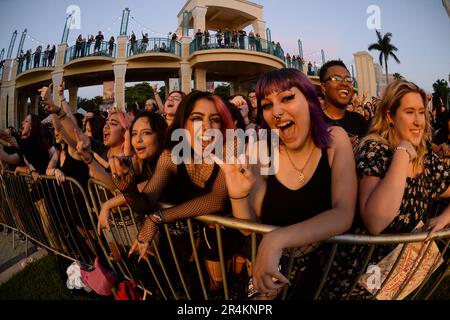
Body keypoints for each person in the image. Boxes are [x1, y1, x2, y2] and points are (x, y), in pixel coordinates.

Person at [217, 68, 357, 299]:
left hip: (321, 276)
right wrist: (238, 195)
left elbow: (343, 213)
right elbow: (247, 226)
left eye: (287, 98)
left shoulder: (335, 139)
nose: (277, 112)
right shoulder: (261, 149)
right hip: (269, 274)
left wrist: (277, 239)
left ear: (310, 101)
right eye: (267, 105)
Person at [99, 91, 242, 294]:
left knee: (230, 289)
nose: (207, 127)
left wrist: (158, 218)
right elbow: (146, 202)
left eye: (215, 119)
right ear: (184, 124)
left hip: (237, 235)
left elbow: (216, 200)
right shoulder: (171, 156)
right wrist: (128, 187)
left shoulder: (231, 146)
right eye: (197, 119)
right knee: (201, 289)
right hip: (199, 240)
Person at [322, 80, 450, 300]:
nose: (419, 121)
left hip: (398, 280)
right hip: (358, 277)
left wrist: (444, 219)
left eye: (421, 111)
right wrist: (402, 153)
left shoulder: (425, 156)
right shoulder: (375, 148)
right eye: (409, 112)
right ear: (390, 116)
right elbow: (375, 221)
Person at [320, 60, 368, 145]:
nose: (344, 83)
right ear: (324, 87)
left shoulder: (359, 121)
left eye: (348, 79)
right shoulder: (313, 123)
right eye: (337, 79)